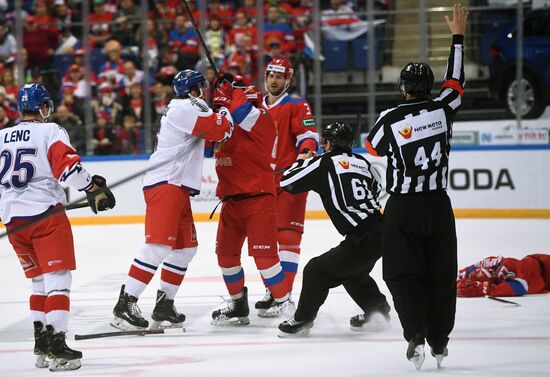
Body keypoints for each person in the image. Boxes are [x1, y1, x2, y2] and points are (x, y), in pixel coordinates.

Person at [364, 4, 468, 370]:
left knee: (400, 273)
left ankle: (415, 337)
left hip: (403, 208)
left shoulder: (389, 118)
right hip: (438, 206)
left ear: (404, 88)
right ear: (429, 87)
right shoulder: (444, 108)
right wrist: (457, 37)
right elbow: (456, 83)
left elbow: (372, 147)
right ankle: (441, 340)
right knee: (440, 275)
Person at [0, 83, 115, 371]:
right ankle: (58, 347)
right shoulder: (50, 131)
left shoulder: (1, 136)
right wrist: (92, 187)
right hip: (45, 216)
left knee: (37, 282)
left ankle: (41, 345)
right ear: (43, 107)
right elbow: (68, 168)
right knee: (58, 281)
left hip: (13, 220)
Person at [111, 69, 233, 331]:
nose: (205, 92)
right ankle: (125, 303)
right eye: (202, 87)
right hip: (167, 183)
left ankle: (164, 304)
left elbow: (210, 136)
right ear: (194, 90)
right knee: (157, 247)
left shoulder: (185, 108)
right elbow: (221, 131)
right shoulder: (187, 106)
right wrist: (225, 104)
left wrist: (222, 107)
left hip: (176, 186)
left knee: (185, 249)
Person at [277, 122, 390, 337]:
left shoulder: (324, 163)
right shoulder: (362, 162)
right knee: (351, 272)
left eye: (324, 141)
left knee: (316, 271)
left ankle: (302, 321)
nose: (322, 145)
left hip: (363, 236)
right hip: (381, 228)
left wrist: (300, 162)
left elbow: (287, 181)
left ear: (329, 143)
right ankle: (378, 311)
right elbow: (375, 188)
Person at [209, 73, 293, 326]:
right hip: (231, 201)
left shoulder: (262, 119)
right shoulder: (228, 123)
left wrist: (232, 89)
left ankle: (286, 304)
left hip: (258, 199)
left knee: (265, 259)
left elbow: (241, 111)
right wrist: (218, 103)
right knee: (225, 255)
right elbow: (207, 140)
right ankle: (237, 303)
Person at [256, 57, 318, 316]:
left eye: (279, 76)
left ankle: (286, 296)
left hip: (289, 180)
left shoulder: (296, 104)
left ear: (288, 80)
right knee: (264, 241)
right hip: (260, 184)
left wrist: (306, 151)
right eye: (271, 75)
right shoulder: (253, 105)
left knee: (288, 239)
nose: (274, 80)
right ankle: (274, 291)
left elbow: (309, 135)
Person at [457, 254, 550, 297]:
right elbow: (461, 274)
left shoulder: (505, 269)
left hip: (546, 270)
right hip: (537, 263)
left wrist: (485, 289)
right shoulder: (486, 264)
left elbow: (520, 286)